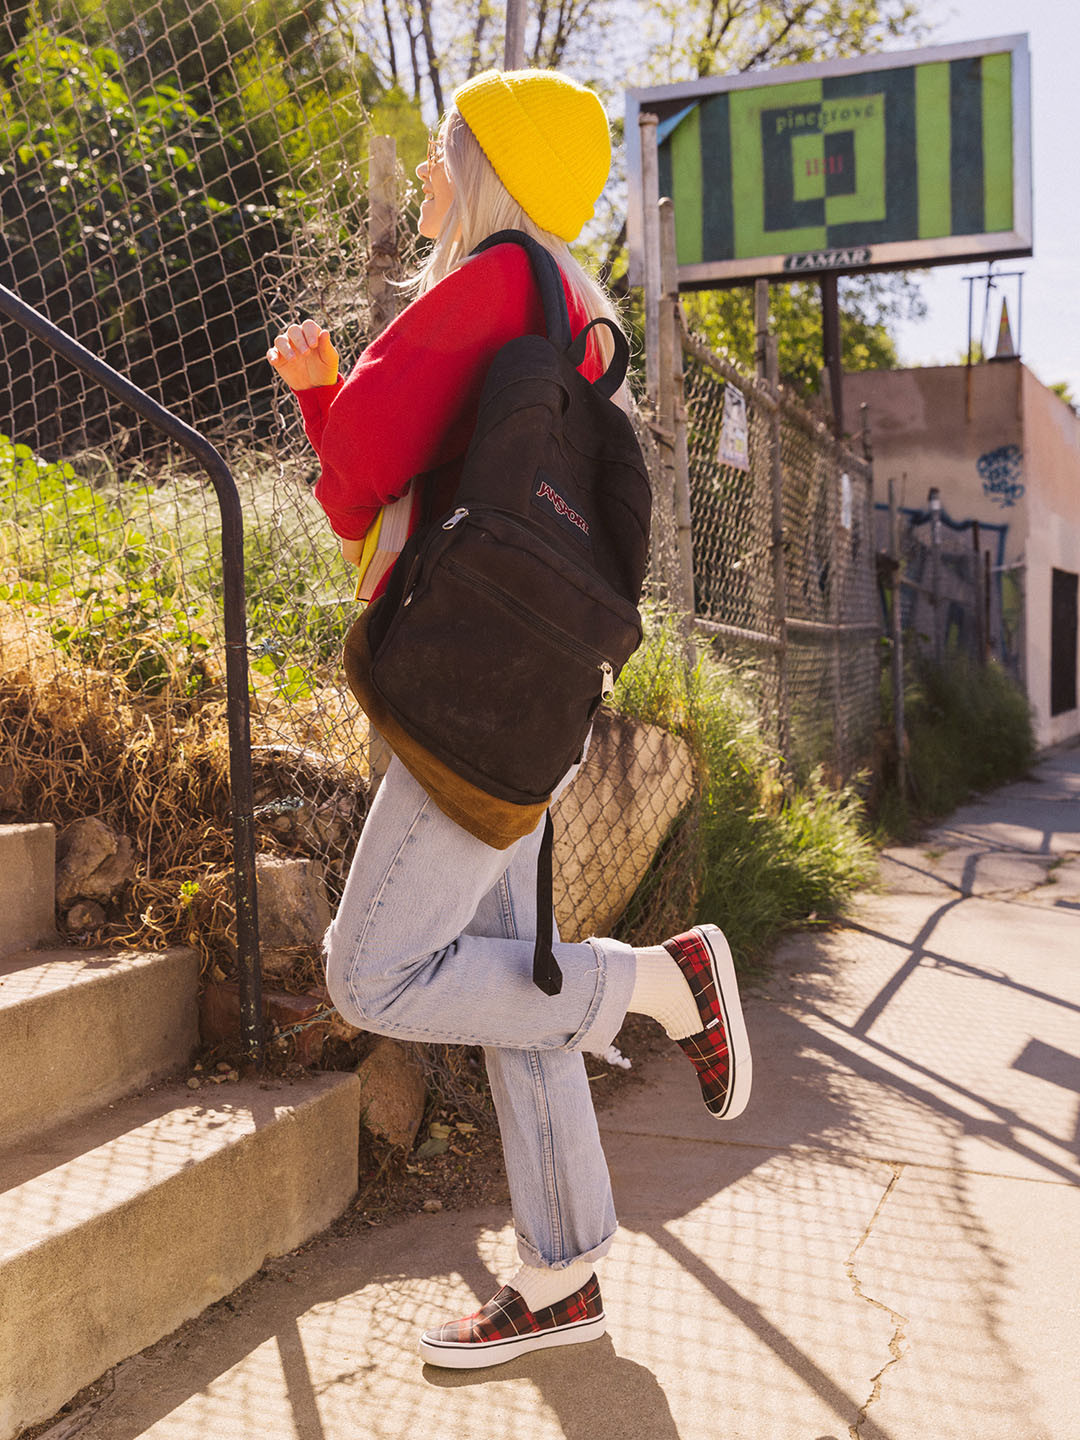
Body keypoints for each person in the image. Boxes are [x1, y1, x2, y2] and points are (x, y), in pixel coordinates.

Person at [268, 67, 751, 1371]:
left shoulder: (486, 289)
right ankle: (566, 1275)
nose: (426, 170)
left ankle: (662, 983)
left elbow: (360, 475)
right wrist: (333, 404)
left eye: (442, 150)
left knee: (369, 974)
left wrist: (326, 391)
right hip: (533, 692)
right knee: (502, 980)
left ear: (488, 167)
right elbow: (376, 497)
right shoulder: (573, 318)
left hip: (462, 702)